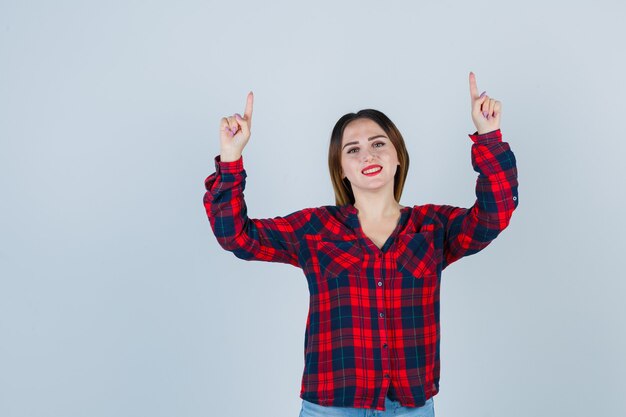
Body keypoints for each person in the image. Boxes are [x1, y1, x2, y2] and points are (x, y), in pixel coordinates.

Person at [203, 72, 519, 416]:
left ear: (398, 155)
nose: (368, 155)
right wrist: (231, 158)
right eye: (353, 150)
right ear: (341, 169)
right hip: (332, 408)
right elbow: (236, 235)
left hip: (410, 408)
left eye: (378, 143)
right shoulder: (315, 229)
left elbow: (494, 215)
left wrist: (488, 137)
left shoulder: (431, 227)